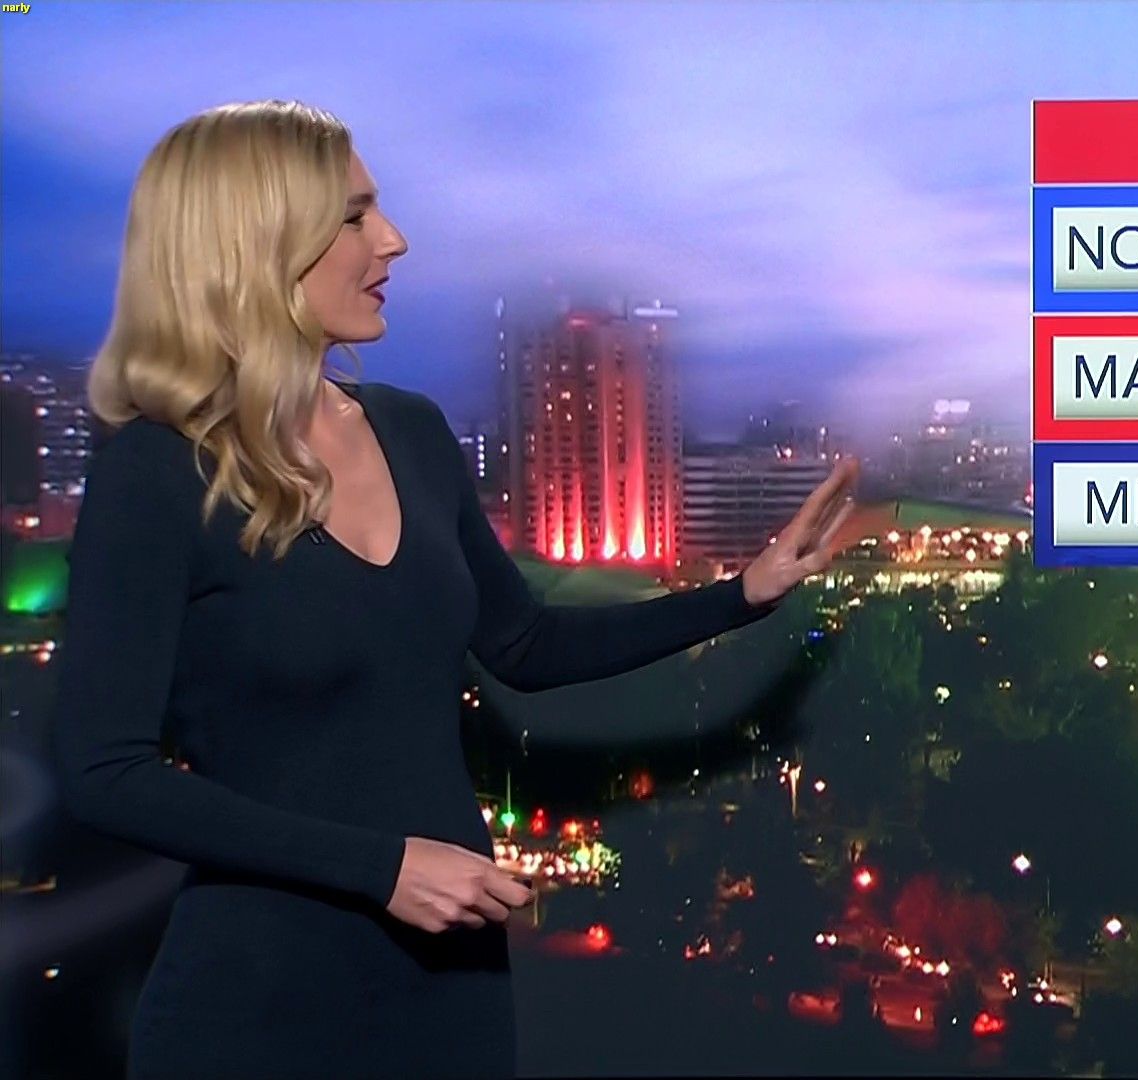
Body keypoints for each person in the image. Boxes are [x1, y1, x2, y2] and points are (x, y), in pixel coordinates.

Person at [49, 100, 859, 1080]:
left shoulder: (414, 430)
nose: (393, 238)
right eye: (354, 216)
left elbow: (524, 646)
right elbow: (103, 771)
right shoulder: (155, 472)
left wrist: (742, 594)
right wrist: (381, 868)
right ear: (254, 245)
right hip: (259, 1005)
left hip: (449, 986)